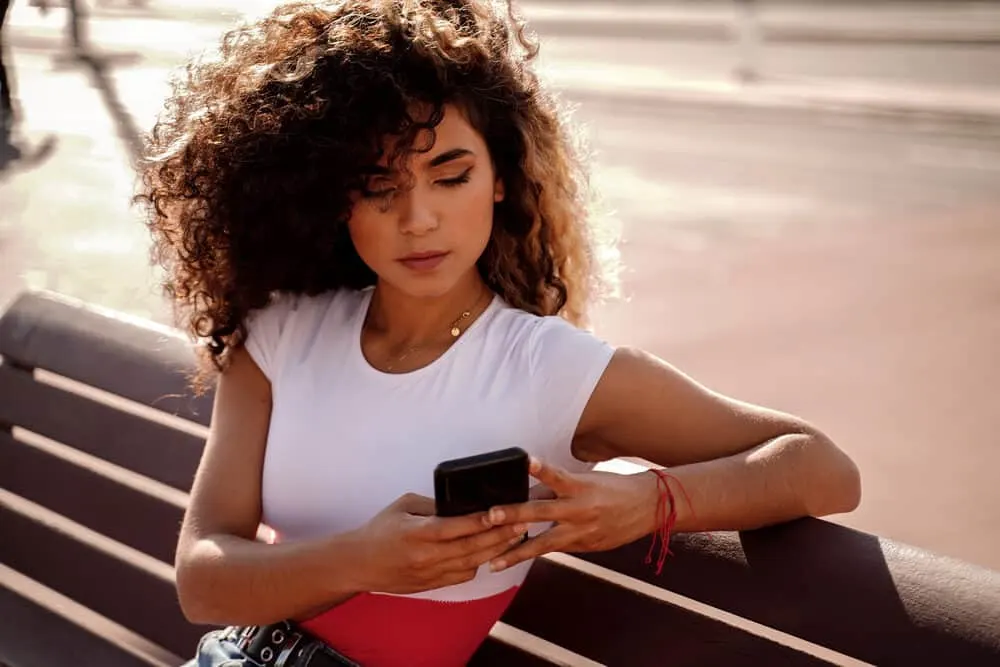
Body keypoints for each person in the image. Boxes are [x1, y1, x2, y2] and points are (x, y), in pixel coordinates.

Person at [136, 1, 861, 666]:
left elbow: (822, 468)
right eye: (380, 188)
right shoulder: (278, 332)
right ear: (331, 198)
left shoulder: (553, 369)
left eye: (450, 177)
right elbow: (203, 580)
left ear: (501, 177)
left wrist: (650, 500)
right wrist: (365, 559)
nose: (418, 219)